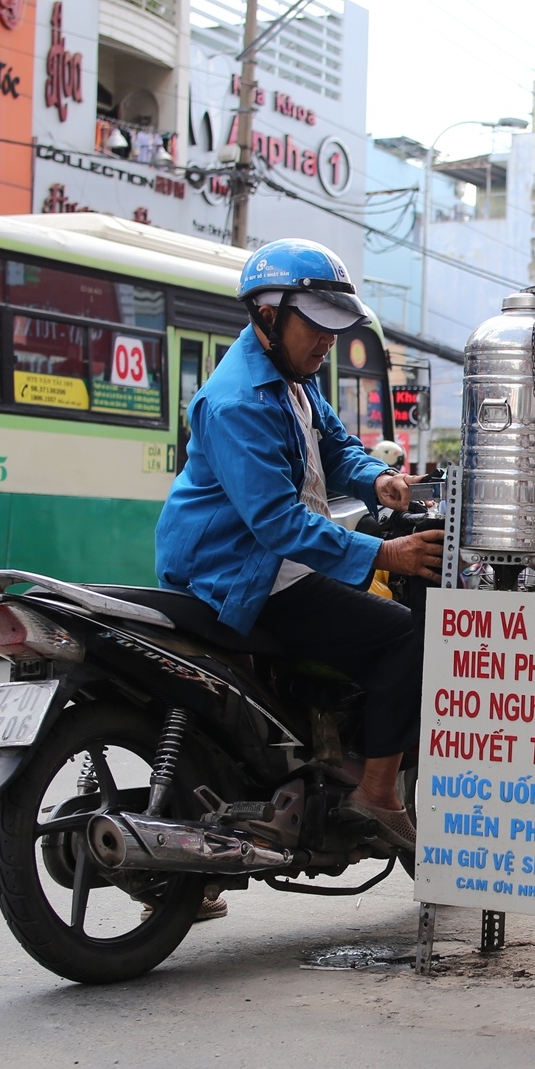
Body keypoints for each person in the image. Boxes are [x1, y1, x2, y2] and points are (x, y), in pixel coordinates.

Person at [155, 239, 443, 873]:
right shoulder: (237, 402)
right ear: (267, 314)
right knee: (401, 636)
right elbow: (280, 525)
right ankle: (376, 794)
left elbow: (336, 448)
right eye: (315, 326)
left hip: (273, 562)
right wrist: (384, 552)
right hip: (241, 572)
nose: (327, 343)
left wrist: (378, 481)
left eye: (334, 330)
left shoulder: (292, 382)